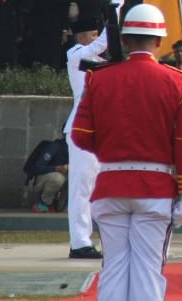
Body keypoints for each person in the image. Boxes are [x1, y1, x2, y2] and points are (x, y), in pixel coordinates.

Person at [70, 3, 182, 301]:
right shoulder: (178, 82)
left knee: (113, 268)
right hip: (155, 189)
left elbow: (81, 135)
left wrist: (112, 149)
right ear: (160, 42)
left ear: (124, 40)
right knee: (147, 271)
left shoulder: (99, 79)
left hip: (110, 186)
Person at [65, 14, 109, 259]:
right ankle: (80, 242)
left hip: (102, 131)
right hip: (81, 130)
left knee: (101, 188)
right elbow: (100, 44)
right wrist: (115, 13)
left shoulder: (100, 61)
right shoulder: (75, 56)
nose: (98, 40)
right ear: (82, 38)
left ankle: (104, 238)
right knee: (81, 187)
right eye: (93, 34)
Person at [24, 136, 69, 213]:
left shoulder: (80, 149)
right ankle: (44, 203)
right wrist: (56, 168)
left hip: (65, 185)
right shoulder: (55, 146)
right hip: (41, 179)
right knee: (57, 178)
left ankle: (66, 205)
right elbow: (37, 167)